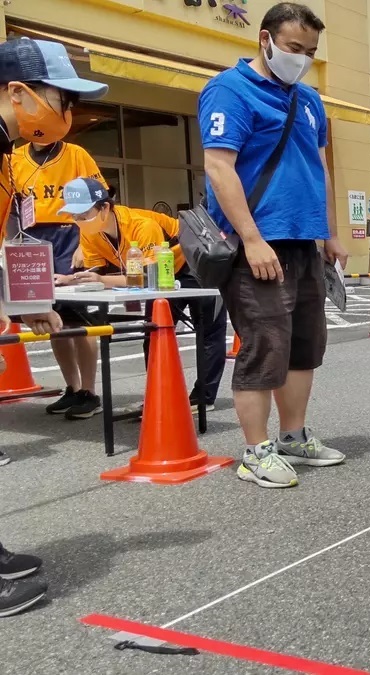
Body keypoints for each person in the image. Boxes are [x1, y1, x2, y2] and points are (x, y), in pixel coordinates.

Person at [200, 2, 348, 489]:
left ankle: (293, 438)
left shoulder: (309, 100)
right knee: (264, 348)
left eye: (310, 51)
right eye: (293, 48)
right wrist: (251, 238)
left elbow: (320, 166)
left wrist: (328, 231)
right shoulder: (230, 90)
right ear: (264, 40)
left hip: (305, 244)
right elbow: (220, 167)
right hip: (258, 246)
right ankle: (254, 451)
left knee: (303, 348)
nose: (301, 58)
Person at [0, 35, 108, 618]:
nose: (65, 111)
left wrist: (24, 299)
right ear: (18, 92)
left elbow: (5, 239)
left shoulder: (6, 155)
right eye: (58, 96)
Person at [57, 178, 228, 411]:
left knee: (208, 331)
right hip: (159, 274)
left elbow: (149, 277)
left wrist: (103, 280)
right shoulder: (90, 232)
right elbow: (97, 272)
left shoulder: (141, 225)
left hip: (194, 262)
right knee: (154, 333)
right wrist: (71, 279)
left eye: (84, 214)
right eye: (74, 216)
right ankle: (160, 396)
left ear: (104, 208)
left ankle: (203, 397)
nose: (79, 221)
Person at [7, 131, 108, 419]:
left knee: (80, 316)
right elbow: (10, 207)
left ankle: (89, 391)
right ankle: (72, 387)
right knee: (50, 316)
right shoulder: (14, 158)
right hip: (31, 237)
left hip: (68, 235)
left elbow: (97, 197)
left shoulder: (76, 154)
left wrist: (85, 243)